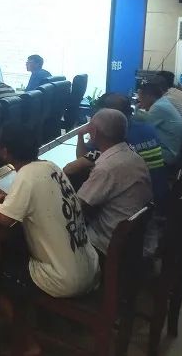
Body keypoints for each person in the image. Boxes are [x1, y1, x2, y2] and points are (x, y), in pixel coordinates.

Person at [0, 123, 99, 355]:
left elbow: (4, 219)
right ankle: (40, 320)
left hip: (64, 279)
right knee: (15, 251)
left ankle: (28, 344)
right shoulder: (50, 166)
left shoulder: (27, 176)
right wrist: (11, 198)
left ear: (4, 150)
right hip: (89, 267)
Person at [70, 109, 153, 255]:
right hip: (135, 238)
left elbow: (77, 207)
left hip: (106, 243)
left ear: (93, 132)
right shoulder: (133, 156)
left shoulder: (106, 168)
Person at [64, 93, 168, 207]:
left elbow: (75, 165)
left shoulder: (109, 145)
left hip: (132, 204)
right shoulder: (148, 130)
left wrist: (81, 135)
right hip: (153, 198)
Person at [134, 82, 182, 166]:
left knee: (132, 147)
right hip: (172, 149)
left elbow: (142, 127)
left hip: (168, 154)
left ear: (148, 96)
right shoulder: (163, 102)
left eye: (140, 97)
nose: (139, 100)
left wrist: (136, 109)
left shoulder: (158, 107)